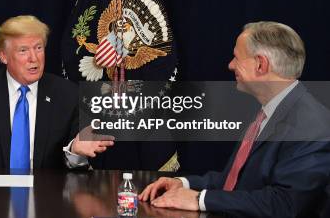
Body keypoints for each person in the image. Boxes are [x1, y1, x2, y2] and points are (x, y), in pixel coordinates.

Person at [138, 21, 330, 217]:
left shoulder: (312, 124)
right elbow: (235, 181)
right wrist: (183, 183)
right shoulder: (270, 111)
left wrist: (199, 199)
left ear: (261, 64)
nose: (230, 65)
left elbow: (285, 204)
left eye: (237, 58)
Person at [0, 15, 114, 169]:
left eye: (38, 48)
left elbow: (75, 163)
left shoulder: (67, 94)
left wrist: (75, 152)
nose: (34, 58)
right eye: (23, 50)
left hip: (47, 198)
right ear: (3, 56)